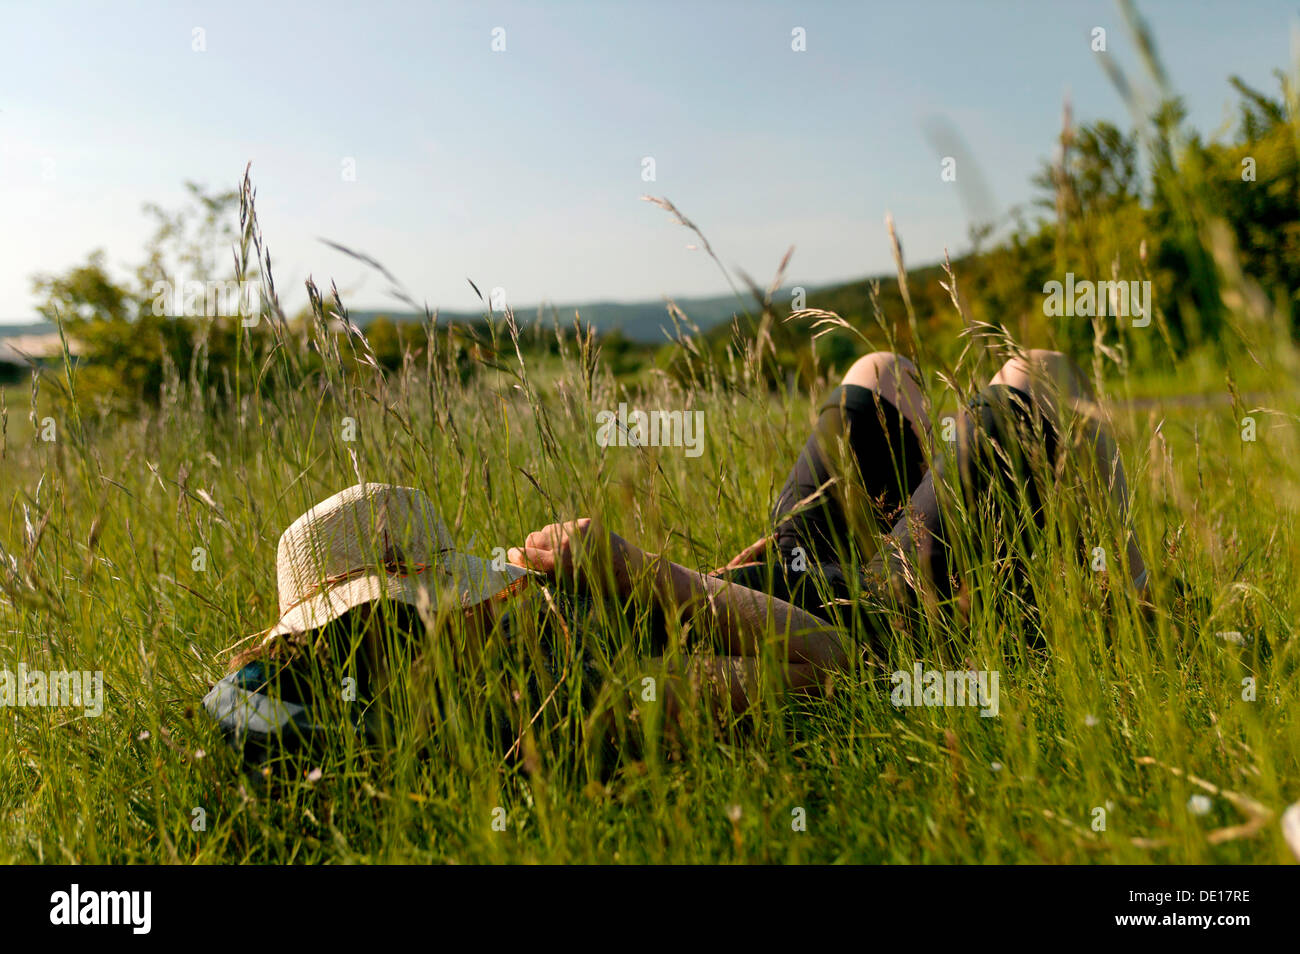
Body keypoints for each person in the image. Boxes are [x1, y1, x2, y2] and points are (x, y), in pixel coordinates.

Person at [203, 347, 1146, 766]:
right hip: (875, 609)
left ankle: (1009, 557)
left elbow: (236, 698)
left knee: (879, 377)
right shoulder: (565, 719)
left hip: (786, 562)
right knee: (1038, 377)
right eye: (437, 603)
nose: (475, 601)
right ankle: (1134, 612)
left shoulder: (496, 645)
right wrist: (641, 571)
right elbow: (825, 662)